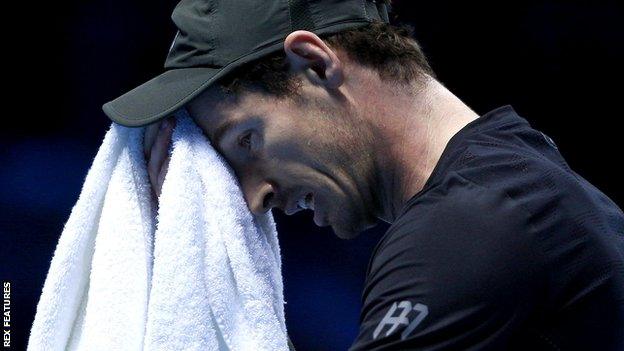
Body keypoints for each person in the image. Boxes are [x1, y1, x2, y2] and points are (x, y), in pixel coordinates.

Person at [104, 1, 624, 349]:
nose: (254, 197)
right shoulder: (518, 182)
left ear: (314, 63)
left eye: (246, 140)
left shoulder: (470, 226)